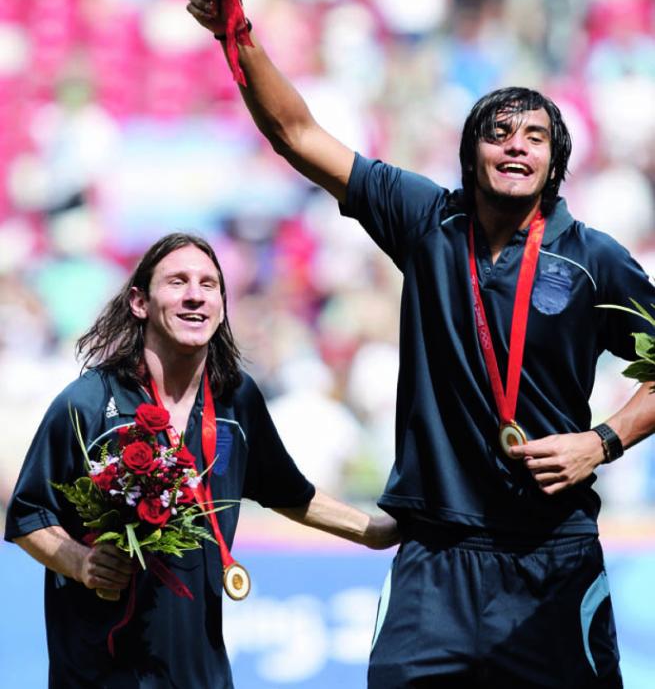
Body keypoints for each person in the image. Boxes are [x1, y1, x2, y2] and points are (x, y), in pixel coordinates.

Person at [185, 0, 655, 689]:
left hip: (550, 552)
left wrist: (601, 441)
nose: (515, 147)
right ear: (470, 151)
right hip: (433, 556)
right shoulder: (427, 222)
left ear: (555, 162)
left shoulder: (592, 260)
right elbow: (298, 135)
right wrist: (236, 30)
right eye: (498, 133)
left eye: (533, 137)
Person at [5, 232, 399, 688]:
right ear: (139, 302)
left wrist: (375, 532)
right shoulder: (88, 404)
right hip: (100, 672)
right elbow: (28, 514)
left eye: (209, 284)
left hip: (200, 673)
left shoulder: (236, 398)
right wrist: (80, 562)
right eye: (177, 282)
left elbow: (288, 492)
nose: (195, 294)